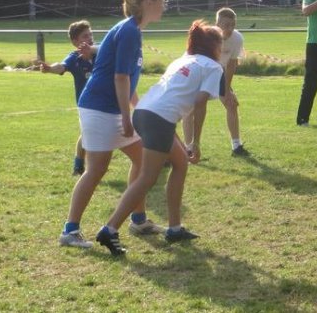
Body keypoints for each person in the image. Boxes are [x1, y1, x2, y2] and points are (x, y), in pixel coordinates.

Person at [94, 20, 224, 256]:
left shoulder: (182, 60)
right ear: (214, 46)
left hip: (143, 112)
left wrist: (184, 146)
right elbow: (199, 103)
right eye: (221, 44)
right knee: (147, 177)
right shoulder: (213, 68)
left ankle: (174, 229)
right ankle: (109, 228)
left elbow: (169, 107)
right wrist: (195, 141)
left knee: (180, 163)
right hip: (158, 119)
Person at [58, 0, 168, 249]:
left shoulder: (133, 30)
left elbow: (127, 79)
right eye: (162, 1)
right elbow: (119, 77)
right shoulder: (129, 31)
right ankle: (70, 231)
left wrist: (137, 108)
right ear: (148, 3)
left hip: (111, 107)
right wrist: (127, 116)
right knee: (97, 169)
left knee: (143, 162)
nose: (164, 7)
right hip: (99, 107)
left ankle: (139, 220)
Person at [38, 20, 97, 175]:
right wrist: (50, 69)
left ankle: (82, 167)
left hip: (106, 102)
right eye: (85, 36)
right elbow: (61, 67)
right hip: (86, 105)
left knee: (91, 133)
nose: (90, 38)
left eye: (91, 34)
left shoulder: (100, 51)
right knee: (88, 134)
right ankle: (81, 167)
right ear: (75, 41)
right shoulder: (74, 58)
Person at [194, 7, 250, 157]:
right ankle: (189, 147)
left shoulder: (237, 38)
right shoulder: (206, 36)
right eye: (226, 25)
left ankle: (236, 146)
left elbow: (231, 64)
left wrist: (227, 91)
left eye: (233, 25)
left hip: (219, 72)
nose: (230, 29)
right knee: (192, 108)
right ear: (217, 23)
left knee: (232, 104)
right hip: (199, 72)